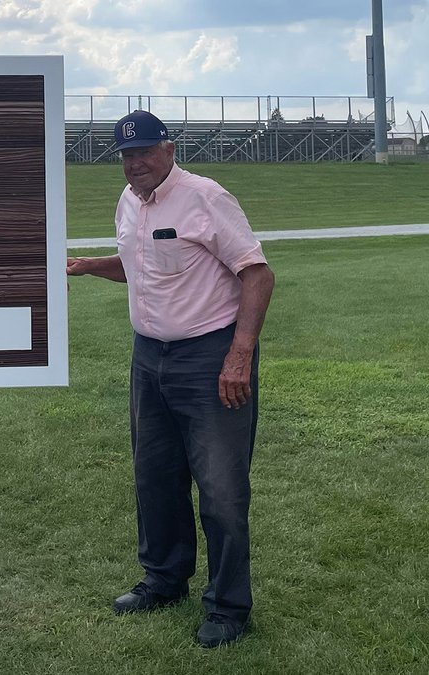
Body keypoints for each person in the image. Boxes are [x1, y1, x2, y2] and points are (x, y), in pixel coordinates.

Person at [67, 110, 274, 648]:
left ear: (170, 148)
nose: (134, 163)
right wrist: (92, 267)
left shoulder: (205, 197)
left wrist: (239, 355)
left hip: (210, 357)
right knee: (154, 478)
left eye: (144, 151)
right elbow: (140, 264)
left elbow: (256, 273)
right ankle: (164, 580)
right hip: (149, 359)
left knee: (222, 489)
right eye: (126, 155)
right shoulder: (129, 202)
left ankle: (229, 607)